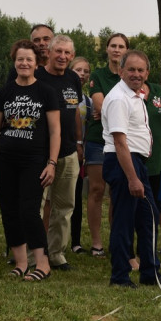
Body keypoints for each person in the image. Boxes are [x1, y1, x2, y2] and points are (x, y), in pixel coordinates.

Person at [0, 40, 60, 281]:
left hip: (34, 160)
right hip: (5, 160)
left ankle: (43, 264)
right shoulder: (5, 92)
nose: (24, 63)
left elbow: (55, 131)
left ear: (36, 63)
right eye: (20, 59)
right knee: (9, 211)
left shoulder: (46, 91)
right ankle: (20, 263)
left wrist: (52, 162)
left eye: (28, 59)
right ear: (14, 62)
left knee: (29, 210)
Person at [102, 50, 161, 287]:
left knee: (148, 217)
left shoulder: (135, 95)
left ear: (147, 73)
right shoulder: (118, 98)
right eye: (131, 69)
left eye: (140, 70)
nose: (136, 74)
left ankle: (149, 273)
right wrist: (133, 178)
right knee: (124, 220)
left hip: (136, 161)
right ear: (121, 71)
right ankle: (120, 276)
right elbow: (120, 141)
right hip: (124, 161)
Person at [36, 34, 83, 271]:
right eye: (59, 51)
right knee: (35, 204)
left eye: (67, 53)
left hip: (68, 151)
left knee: (64, 207)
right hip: (38, 152)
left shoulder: (74, 78)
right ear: (49, 52)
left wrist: (79, 141)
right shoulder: (36, 76)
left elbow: (75, 112)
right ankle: (31, 254)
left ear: (72, 56)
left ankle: (56, 254)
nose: (63, 56)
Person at [85, 33, 130, 257]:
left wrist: (109, 112)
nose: (116, 49)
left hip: (121, 142)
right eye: (113, 45)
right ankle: (96, 243)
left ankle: (117, 241)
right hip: (97, 140)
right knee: (96, 190)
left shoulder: (131, 75)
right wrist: (116, 112)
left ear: (126, 50)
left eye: (121, 46)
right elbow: (100, 104)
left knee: (117, 192)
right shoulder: (98, 75)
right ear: (107, 49)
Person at [69, 56, 93, 254]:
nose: (82, 74)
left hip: (79, 154)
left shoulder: (88, 101)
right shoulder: (59, 93)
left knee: (76, 197)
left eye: (86, 71)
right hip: (61, 150)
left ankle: (75, 241)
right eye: (78, 70)